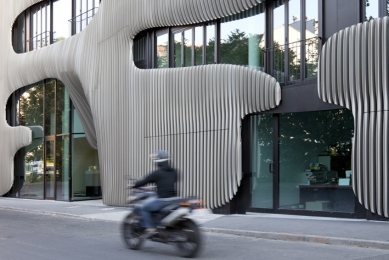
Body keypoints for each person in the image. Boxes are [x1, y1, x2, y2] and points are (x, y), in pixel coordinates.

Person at [133, 150, 178, 237]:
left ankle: (150, 229)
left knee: (144, 208)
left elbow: (144, 181)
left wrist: (134, 185)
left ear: (157, 162)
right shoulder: (174, 172)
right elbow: (171, 181)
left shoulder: (157, 173)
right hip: (174, 199)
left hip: (163, 200)